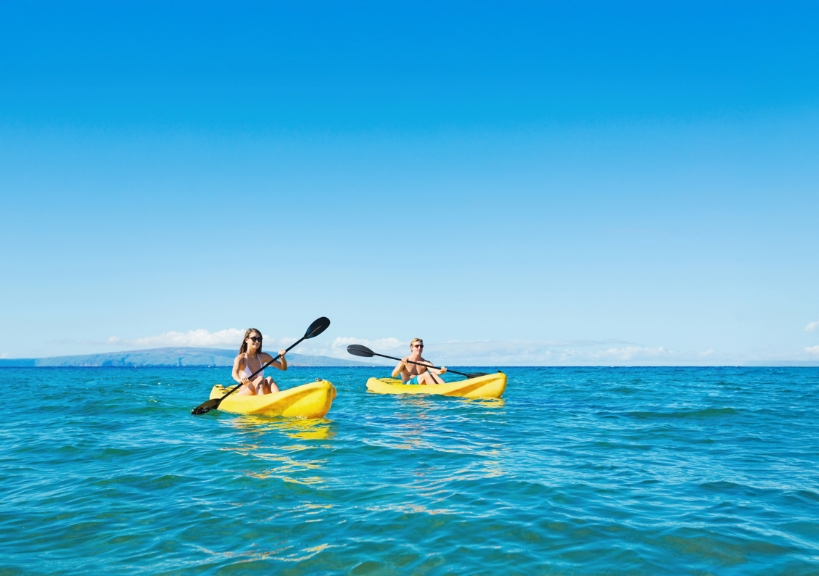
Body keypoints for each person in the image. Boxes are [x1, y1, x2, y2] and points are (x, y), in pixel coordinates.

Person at [232, 328, 287, 395]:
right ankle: (262, 400)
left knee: (269, 379)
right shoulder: (241, 358)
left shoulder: (263, 356)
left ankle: (279, 399)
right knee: (260, 378)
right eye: (254, 339)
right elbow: (234, 372)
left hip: (259, 393)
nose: (257, 341)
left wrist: (282, 357)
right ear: (246, 340)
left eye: (259, 339)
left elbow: (283, 367)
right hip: (245, 393)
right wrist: (239, 380)